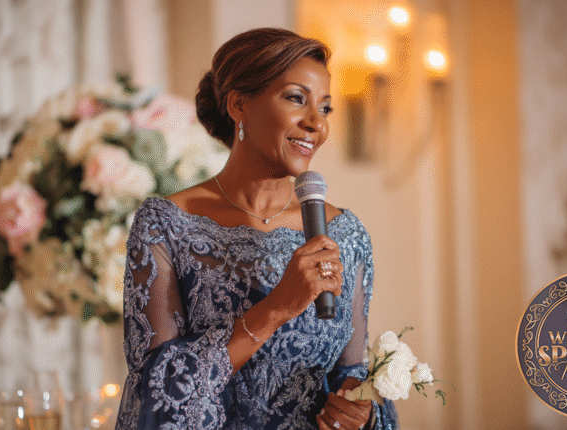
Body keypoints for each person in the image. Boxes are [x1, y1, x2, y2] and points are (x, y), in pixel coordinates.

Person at [116, 28, 399, 429]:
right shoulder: (166, 226)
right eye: (297, 99)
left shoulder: (346, 234)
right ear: (238, 105)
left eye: (326, 108)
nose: (316, 124)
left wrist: (360, 410)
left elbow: (350, 370)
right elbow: (158, 390)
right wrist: (276, 308)